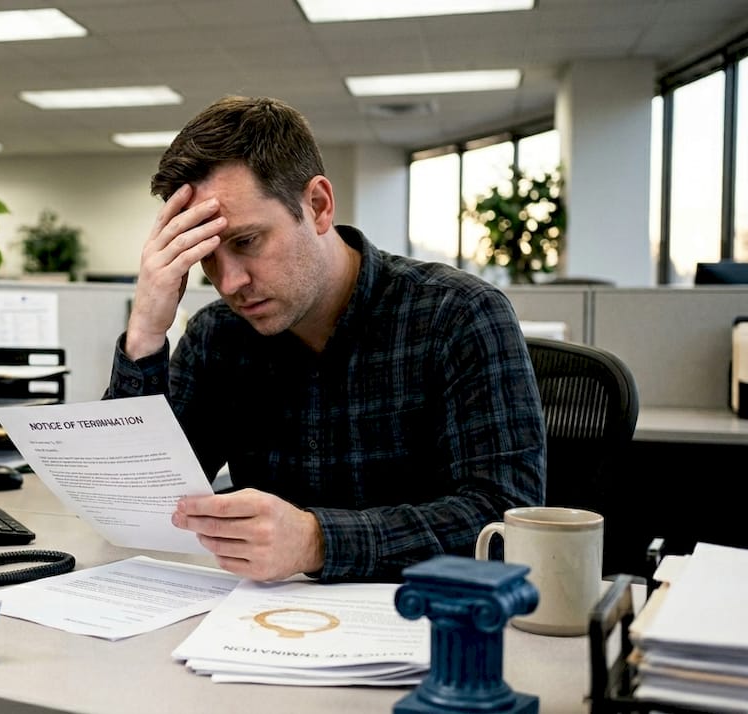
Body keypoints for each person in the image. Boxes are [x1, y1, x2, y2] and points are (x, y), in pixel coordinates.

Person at [104, 95, 545, 583]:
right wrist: (145, 333)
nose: (229, 283)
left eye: (247, 242)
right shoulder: (218, 336)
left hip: (427, 620)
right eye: (207, 255)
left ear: (317, 205)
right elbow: (134, 510)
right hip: (257, 627)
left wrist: (317, 540)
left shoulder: (457, 315)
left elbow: (507, 520)